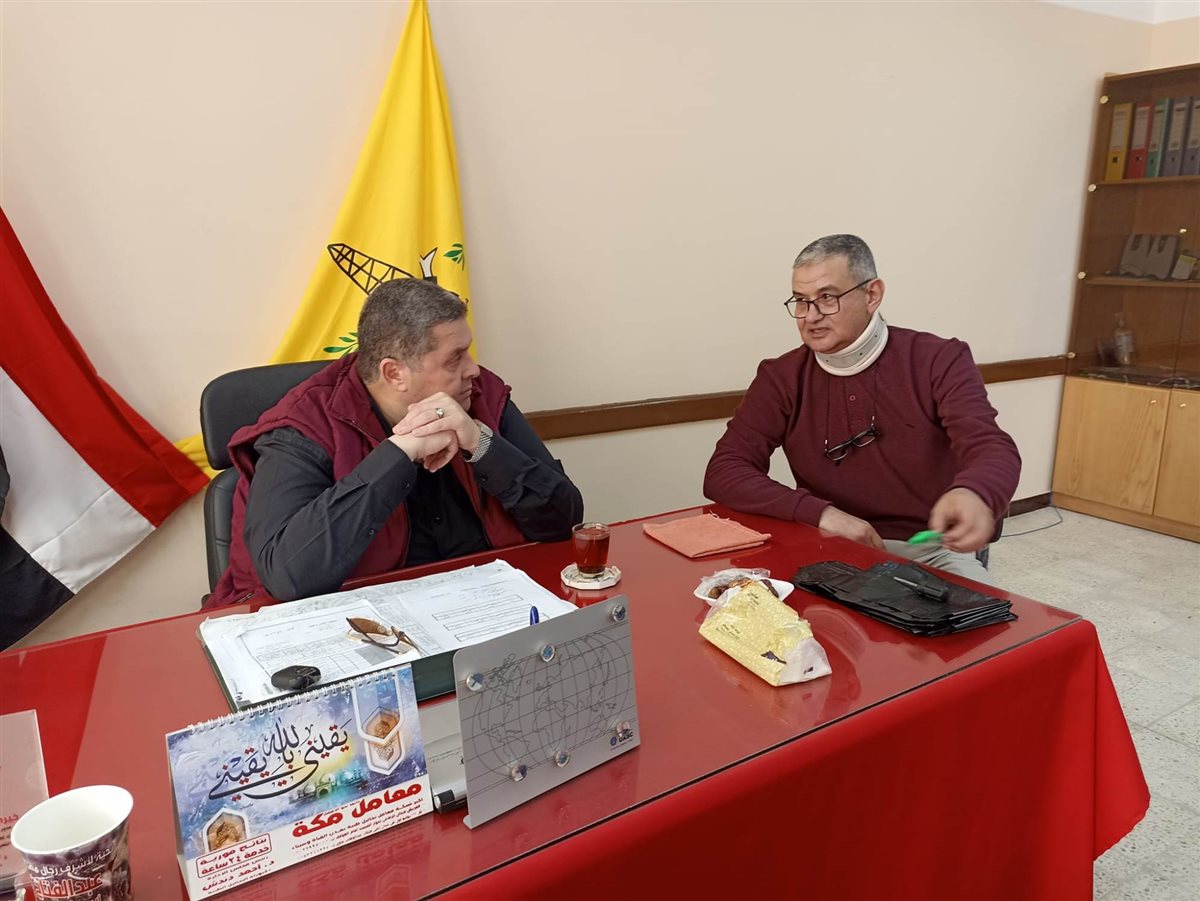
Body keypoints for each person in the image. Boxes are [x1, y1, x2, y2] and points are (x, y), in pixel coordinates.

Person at [206, 278, 584, 607]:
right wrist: (398, 455)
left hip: (480, 605)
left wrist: (482, 443)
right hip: (357, 624)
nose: (473, 368)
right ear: (394, 373)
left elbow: (564, 519)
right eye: (454, 359)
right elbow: (289, 576)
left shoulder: (480, 394)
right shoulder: (303, 427)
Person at [703, 234, 1019, 584]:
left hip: (928, 548)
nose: (811, 316)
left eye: (827, 298)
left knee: (987, 618)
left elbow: (991, 446)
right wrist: (821, 514)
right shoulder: (781, 376)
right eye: (801, 301)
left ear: (872, 295)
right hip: (829, 541)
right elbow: (725, 470)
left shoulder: (937, 359)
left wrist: (974, 492)